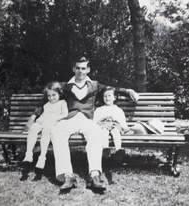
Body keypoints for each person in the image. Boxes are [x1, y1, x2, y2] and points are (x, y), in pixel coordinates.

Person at [51, 54, 139, 192]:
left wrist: (128, 90)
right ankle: (68, 175)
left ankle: (95, 176)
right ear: (73, 69)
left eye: (83, 68)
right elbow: (48, 96)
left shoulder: (95, 85)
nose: (80, 71)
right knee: (57, 132)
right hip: (70, 118)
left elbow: (112, 88)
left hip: (87, 120)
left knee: (97, 132)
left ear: (88, 70)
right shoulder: (65, 86)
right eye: (78, 68)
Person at [21, 82, 68, 181]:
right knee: (33, 127)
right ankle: (28, 154)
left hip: (52, 125)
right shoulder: (46, 104)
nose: (51, 98)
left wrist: (53, 119)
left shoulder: (62, 103)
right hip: (43, 122)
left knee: (46, 130)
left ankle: (42, 158)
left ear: (60, 94)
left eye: (54, 95)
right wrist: (38, 121)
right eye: (49, 96)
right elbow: (43, 116)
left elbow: (65, 114)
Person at [93, 86, 129, 159]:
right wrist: (103, 118)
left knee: (116, 132)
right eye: (105, 96)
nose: (107, 98)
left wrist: (116, 119)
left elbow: (123, 123)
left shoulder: (118, 110)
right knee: (104, 132)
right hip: (103, 126)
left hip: (114, 126)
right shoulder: (99, 109)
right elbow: (94, 122)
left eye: (109, 96)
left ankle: (118, 149)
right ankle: (105, 149)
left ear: (114, 97)